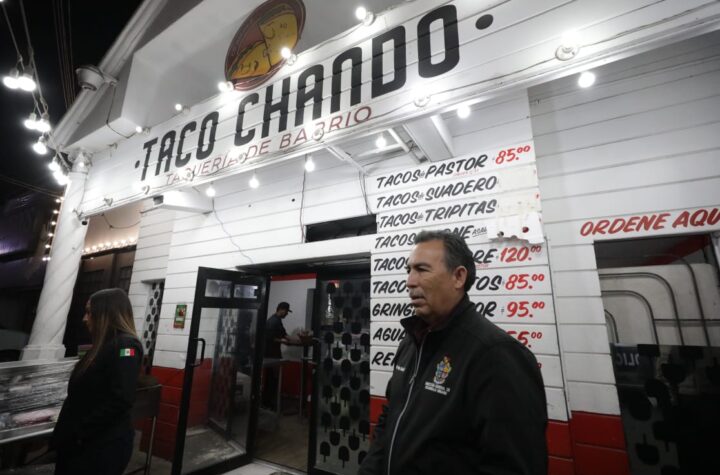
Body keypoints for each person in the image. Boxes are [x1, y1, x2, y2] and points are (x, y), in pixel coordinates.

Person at [359, 230, 548, 475]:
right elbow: (390, 418)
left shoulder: (496, 355)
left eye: (422, 270)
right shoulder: (411, 342)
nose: (410, 282)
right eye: (409, 270)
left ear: (458, 277)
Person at [52, 288, 143, 475]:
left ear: (106, 314)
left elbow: (121, 398)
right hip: (83, 443)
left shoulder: (125, 346)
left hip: (100, 447)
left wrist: (80, 431)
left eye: (89, 312)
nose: (84, 319)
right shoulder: (103, 345)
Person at [262, 301, 301, 410]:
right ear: (281, 309)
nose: (287, 314)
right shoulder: (273, 321)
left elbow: (284, 335)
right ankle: (268, 403)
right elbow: (270, 338)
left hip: (274, 353)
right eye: (287, 311)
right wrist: (285, 342)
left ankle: (269, 402)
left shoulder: (277, 321)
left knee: (272, 378)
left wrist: (297, 340)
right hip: (270, 354)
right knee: (272, 379)